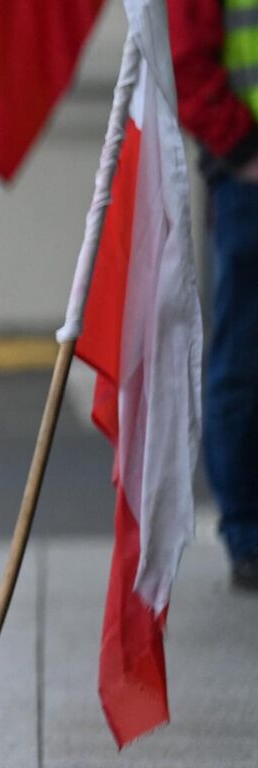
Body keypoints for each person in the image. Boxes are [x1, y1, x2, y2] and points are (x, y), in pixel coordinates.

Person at [172, 0, 258, 590]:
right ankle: (249, 536)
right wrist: (245, 153)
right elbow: (187, 64)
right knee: (243, 362)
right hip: (249, 179)